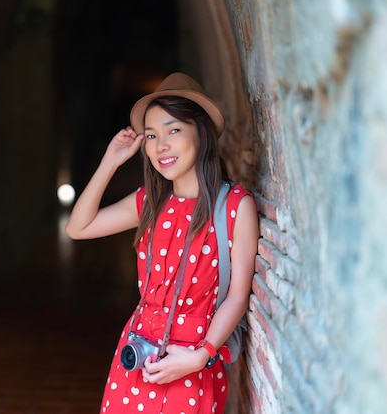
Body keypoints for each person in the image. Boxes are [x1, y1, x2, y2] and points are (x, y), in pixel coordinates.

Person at [65, 72, 259, 413]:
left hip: (192, 362)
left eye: (173, 130)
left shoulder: (234, 206)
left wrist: (201, 356)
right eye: (152, 135)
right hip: (137, 354)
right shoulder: (150, 204)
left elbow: (238, 296)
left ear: (201, 134)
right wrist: (110, 161)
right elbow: (78, 228)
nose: (160, 146)